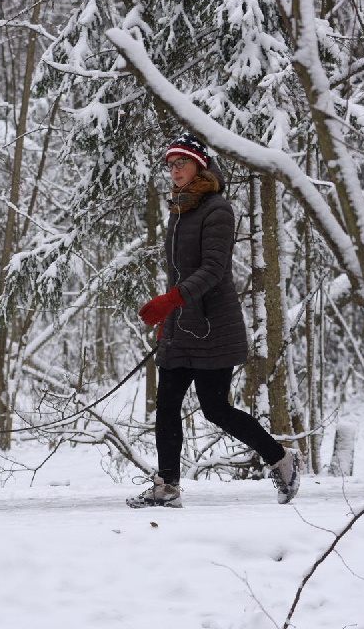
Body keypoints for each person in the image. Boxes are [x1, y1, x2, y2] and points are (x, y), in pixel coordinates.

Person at [127, 132, 300, 509]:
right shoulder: (179, 208)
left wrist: (170, 300)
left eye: (181, 163)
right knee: (168, 404)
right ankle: (167, 486)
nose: (174, 171)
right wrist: (169, 312)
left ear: (199, 165)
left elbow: (213, 269)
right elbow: (180, 272)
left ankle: (281, 458)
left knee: (215, 408)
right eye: (170, 165)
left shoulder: (217, 208)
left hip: (213, 326)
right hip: (181, 324)